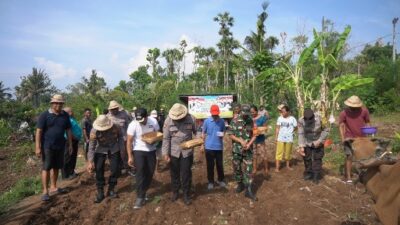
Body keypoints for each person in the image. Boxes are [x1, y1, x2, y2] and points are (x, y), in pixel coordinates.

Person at [35, 94, 72, 202]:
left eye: (60, 103)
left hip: (60, 145)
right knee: (46, 167)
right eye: (56, 103)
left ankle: (53, 187)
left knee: (56, 167)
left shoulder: (65, 115)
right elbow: (39, 131)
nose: (58, 105)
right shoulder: (45, 115)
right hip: (47, 145)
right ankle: (45, 191)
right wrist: (37, 147)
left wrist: (70, 144)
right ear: (52, 103)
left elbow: (68, 130)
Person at [162, 103, 197, 205]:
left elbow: (197, 131)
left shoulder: (191, 118)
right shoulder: (168, 121)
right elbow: (166, 138)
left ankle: (186, 194)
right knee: (174, 173)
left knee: (186, 173)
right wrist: (165, 154)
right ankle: (175, 192)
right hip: (174, 152)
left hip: (187, 151)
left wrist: (199, 140)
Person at [127, 108, 160, 209]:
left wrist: (154, 140)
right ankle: (140, 197)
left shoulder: (153, 121)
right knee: (140, 172)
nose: (140, 122)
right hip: (138, 150)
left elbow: (158, 133)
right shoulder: (133, 124)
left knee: (150, 172)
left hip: (151, 150)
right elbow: (129, 141)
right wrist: (130, 156)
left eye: (142, 120)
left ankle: (144, 191)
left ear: (146, 116)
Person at [87, 115, 123, 203]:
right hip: (100, 148)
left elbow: (121, 137)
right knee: (99, 169)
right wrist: (90, 161)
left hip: (114, 147)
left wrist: (122, 150)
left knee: (115, 169)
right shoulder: (94, 131)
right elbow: (91, 147)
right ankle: (100, 191)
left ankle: (111, 188)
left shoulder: (116, 126)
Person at [228, 104, 258, 201]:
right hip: (237, 150)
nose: (246, 116)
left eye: (247, 114)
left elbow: (255, 134)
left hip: (248, 150)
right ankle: (240, 184)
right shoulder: (235, 120)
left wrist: (249, 144)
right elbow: (231, 135)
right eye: (244, 114)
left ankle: (248, 191)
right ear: (241, 112)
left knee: (248, 170)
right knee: (237, 168)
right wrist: (240, 141)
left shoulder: (251, 121)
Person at [339, 95, 370, 183]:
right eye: (352, 107)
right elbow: (341, 125)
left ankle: (363, 174)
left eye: (355, 107)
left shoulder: (364, 111)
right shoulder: (344, 113)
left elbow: (367, 122)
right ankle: (348, 177)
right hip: (349, 138)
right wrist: (342, 138)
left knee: (362, 156)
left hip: (362, 137)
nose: (354, 108)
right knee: (349, 156)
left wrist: (369, 132)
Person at [298, 108, 330, 184]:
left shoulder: (321, 118)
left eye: (310, 120)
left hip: (318, 140)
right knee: (306, 158)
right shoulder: (300, 120)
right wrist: (301, 146)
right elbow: (301, 133)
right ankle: (309, 173)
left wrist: (319, 141)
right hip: (307, 141)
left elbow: (326, 130)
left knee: (317, 158)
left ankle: (316, 175)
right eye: (307, 120)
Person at [202, 105, 226, 190]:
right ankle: (211, 181)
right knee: (210, 165)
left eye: (216, 114)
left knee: (219, 165)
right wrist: (202, 145)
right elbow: (203, 133)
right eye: (213, 114)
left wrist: (222, 135)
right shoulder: (207, 121)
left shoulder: (222, 121)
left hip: (219, 147)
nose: (215, 115)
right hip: (209, 147)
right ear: (211, 113)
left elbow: (223, 131)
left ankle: (221, 180)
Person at [107, 100, 132, 175]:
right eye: (112, 109)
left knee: (123, 153)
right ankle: (116, 169)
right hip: (112, 139)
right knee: (114, 154)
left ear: (118, 108)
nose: (114, 110)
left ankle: (127, 168)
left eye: (115, 108)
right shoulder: (107, 117)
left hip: (123, 137)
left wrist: (129, 137)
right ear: (110, 110)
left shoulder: (124, 114)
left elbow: (128, 125)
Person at [275, 105, 297, 172]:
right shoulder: (280, 118)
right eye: (282, 112)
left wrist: (292, 132)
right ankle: (277, 167)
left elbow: (296, 127)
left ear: (288, 112)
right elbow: (277, 128)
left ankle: (288, 165)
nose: (282, 113)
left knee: (288, 152)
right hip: (280, 138)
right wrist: (276, 137)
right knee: (279, 152)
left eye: (284, 112)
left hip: (289, 138)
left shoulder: (292, 119)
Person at [62, 107, 82, 180]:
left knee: (73, 156)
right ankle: (66, 175)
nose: (72, 112)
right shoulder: (66, 120)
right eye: (70, 111)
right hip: (69, 140)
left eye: (71, 111)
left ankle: (71, 172)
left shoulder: (71, 119)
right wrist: (74, 138)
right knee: (68, 157)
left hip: (74, 140)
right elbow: (68, 132)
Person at [250, 105, 269, 178]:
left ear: (257, 111)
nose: (252, 114)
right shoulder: (249, 119)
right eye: (251, 112)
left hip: (260, 139)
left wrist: (259, 130)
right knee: (254, 155)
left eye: (253, 112)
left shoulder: (262, 118)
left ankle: (266, 169)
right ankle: (254, 169)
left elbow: (265, 128)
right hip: (252, 140)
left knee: (263, 154)